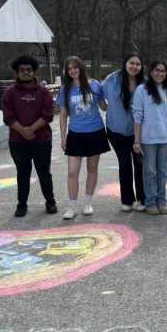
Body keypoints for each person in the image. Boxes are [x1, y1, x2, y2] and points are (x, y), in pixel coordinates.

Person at [2, 55, 57, 218]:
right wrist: (23, 130)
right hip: (18, 141)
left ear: (34, 72)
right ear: (16, 73)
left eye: (28, 69)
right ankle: (22, 204)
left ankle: (50, 201)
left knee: (44, 172)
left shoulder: (44, 92)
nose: (25, 72)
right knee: (23, 173)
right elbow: (8, 116)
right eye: (22, 70)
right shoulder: (10, 92)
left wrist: (31, 129)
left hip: (42, 140)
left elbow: (48, 114)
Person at [57, 57, 109, 220]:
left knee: (92, 168)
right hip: (76, 133)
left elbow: (104, 107)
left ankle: (88, 202)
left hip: (95, 131)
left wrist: (119, 100)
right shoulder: (65, 88)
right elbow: (63, 115)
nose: (73, 71)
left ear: (81, 67)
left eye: (75, 67)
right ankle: (72, 206)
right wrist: (63, 138)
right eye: (69, 69)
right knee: (72, 171)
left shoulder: (94, 85)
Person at [101, 53, 146, 212]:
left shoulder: (144, 83)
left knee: (140, 164)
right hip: (116, 131)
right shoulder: (112, 79)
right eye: (131, 63)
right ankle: (127, 200)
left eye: (138, 64)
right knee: (125, 164)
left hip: (138, 131)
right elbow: (99, 94)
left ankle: (142, 198)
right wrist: (107, 109)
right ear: (125, 63)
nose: (134, 67)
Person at [133, 61, 167, 215]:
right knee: (150, 172)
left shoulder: (166, 90)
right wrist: (137, 141)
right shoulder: (141, 90)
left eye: (163, 71)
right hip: (148, 138)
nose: (160, 74)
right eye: (157, 70)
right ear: (150, 72)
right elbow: (137, 116)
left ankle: (161, 201)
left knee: (163, 172)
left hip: (165, 137)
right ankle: (150, 202)